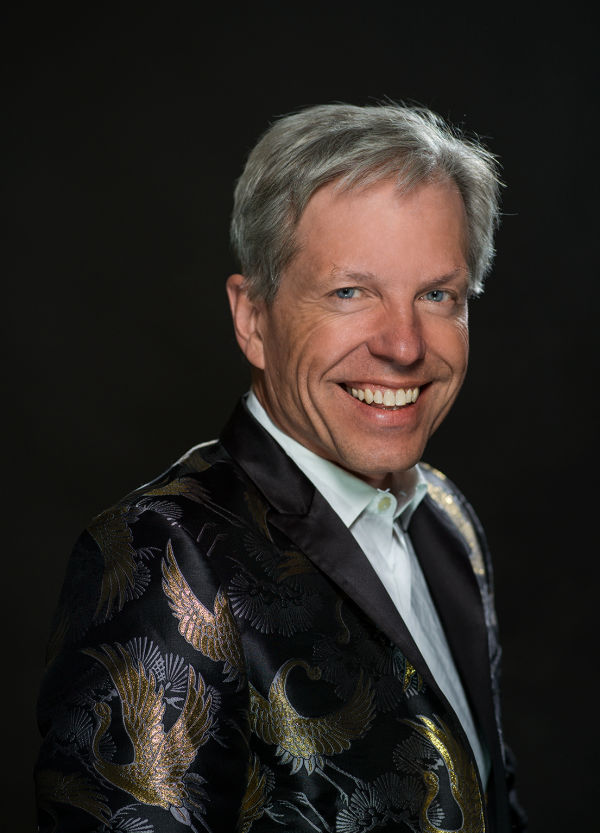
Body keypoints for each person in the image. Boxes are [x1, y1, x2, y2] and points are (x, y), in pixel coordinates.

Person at [35, 103, 526, 833]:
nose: (403, 345)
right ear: (253, 319)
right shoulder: (165, 555)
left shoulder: (447, 519)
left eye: (436, 295)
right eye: (350, 292)